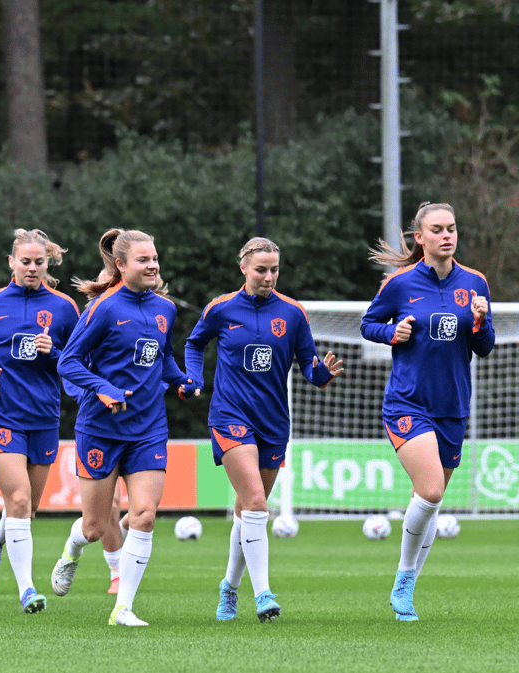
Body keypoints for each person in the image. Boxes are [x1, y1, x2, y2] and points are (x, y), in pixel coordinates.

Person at [183, 237, 342, 623]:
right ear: (244, 268)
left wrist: (323, 374)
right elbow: (193, 344)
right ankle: (264, 594)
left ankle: (229, 588)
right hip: (230, 416)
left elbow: (309, 364)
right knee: (256, 502)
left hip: (273, 422)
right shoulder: (221, 308)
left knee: (246, 511)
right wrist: (192, 376)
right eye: (261, 269)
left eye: (274, 270)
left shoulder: (292, 313)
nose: (268, 276)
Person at [51, 229, 197, 626]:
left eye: (155, 259)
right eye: (143, 260)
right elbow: (68, 362)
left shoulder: (165, 309)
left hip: (149, 428)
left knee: (145, 516)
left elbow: (162, 359)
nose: (152, 266)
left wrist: (180, 380)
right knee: (97, 527)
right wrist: (103, 388)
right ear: (121, 265)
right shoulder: (103, 308)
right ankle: (73, 550)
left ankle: (123, 608)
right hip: (101, 428)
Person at [361, 202, 492, 621]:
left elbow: (483, 347)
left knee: (430, 501)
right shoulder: (400, 285)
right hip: (408, 403)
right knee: (432, 490)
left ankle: (407, 587)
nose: (447, 235)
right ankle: (403, 580)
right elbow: (368, 324)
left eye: (452, 228)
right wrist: (390, 332)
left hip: (452, 406)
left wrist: (481, 322)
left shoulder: (475, 283)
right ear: (421, 237)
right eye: (437, 229)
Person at [0, 228, 80, 614]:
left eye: (39, 262)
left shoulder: (63, 307)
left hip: (43, 417)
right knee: (20, 498)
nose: (31, 268)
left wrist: (54, 351)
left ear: (47, 264)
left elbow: (77, 359)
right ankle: (28, 590)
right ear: (11, 263)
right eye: (24, 261)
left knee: (28, 507)